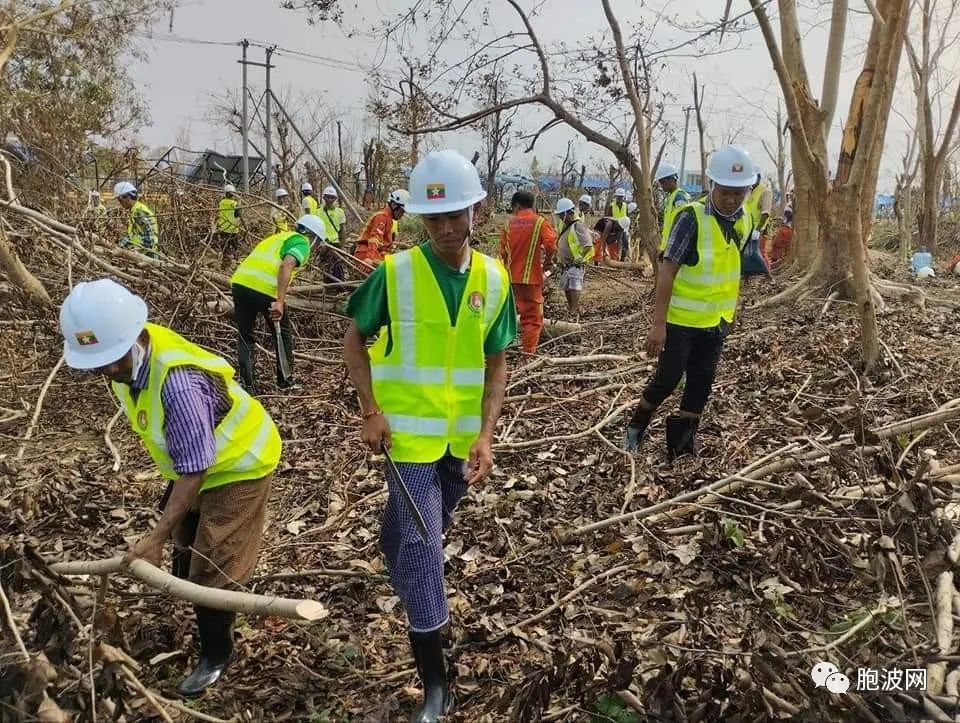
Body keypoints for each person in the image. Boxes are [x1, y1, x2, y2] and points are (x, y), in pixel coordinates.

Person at [343, 149, 515, 721]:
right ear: (419, 220)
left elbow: (496, 363)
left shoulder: (493, 279)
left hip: (460, 444)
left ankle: (391, 547)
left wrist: (487, 435)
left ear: (475, 212)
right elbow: (353, 336)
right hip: (407, 441)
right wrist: (370, 410)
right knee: (423, 545)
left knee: (412, 532)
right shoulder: (394, 274)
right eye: (433, 219)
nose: (444, 228)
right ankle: (436, 681)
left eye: (455, 216)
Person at [58, 278, 281, 697]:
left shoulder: (177, 384)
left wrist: (155, 537)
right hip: (196, 459)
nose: (107, 370)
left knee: (213, 560)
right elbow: (183, 454)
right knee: (185, 537)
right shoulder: (125, 358)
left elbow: (196, 470)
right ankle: (193, 591)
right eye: (98, 363)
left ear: (134, 335)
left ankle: (217, 654)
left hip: (241, 462)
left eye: (111, 360)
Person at [623, 145, 756, 459]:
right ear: (712, 186)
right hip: (682, 323)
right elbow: (667, 272)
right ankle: (634, 428)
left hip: (716, 322)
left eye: (740, 193)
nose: (733, 200)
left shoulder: (744, 219)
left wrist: (732, 311)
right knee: (667, 380)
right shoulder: (692, 218)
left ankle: (681, 449)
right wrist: (658, 326)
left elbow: (733, 267)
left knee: (701, 383)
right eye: (726, 192)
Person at [229, 214, 328, 393]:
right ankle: (285, 382)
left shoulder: (278, 237)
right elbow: (286, 265)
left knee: (245, 335)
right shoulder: (302, 242)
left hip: (239, 284)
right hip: (265, 289)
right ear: (314, 237)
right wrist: (280, 301)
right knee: (282, 335)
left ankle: (247, 384)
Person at [500, 190, 557, 354]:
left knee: (506, 316)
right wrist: (547, 262)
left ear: (516, 206)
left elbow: (502, 253)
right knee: (532, 319)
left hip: (508, 278)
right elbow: (551, 244)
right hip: (530, 280)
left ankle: (499, 353)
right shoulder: (539, 222)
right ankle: (527, 355)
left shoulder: (507, 225)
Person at [554, 197, 595, 318]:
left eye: (562, 215)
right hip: (565, 264)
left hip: (575, 263)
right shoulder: (564, 225)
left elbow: (587, 245)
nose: (561, 217)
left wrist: (579, 258)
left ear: (569, 212)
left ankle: (573, 310)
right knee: (566, 286)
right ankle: (571, 309)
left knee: (575, 286)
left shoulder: (578, 225)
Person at [356, 189, 408, 268]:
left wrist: (402, 246)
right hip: (366, 253)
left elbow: (384, 242)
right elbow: (375, 238)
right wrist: (369, 257)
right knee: (392, 269)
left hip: (377, 253)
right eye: (402, 211)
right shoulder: (382, 217)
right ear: (394, 205)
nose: (402, 214)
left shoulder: (389, 219)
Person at [113, 181, 159, 258]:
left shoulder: (139, 212)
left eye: (120, 200)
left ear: (127, 197)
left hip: (148, 256)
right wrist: (120, 245)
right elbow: (134, 235)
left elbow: (150, 240)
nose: (120, 203)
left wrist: (133, 251)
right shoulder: (134, 210)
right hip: (141, 254)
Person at [655, 163, 690, 252]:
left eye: (663, 182)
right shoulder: (671, 197)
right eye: (660, 182)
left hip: (674, 247)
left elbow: (682, 224)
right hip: (668, 246)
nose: (661, 185)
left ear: (672, 179)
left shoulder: (679, 197)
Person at [319, 185, 347, 281]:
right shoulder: (318, 212)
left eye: (332, 197)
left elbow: (343, 229)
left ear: (335, 198)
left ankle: (339, 286)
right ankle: (328, 287)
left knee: (337, 268)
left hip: (335, 244)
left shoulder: (340, 212)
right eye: (328, 197)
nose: (330, 199)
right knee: (326, 268)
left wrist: (342, 245)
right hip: (323, 244)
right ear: (324, 197)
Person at [215, 184, 243, 259]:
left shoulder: (221, 202)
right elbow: (238, 214)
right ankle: (236, 259)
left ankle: (225, 259)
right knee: (235, 246)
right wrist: (239, 201)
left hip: (223, 227)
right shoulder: (234, 204)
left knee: (225, 246)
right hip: (233, 229)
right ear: (233, 194)